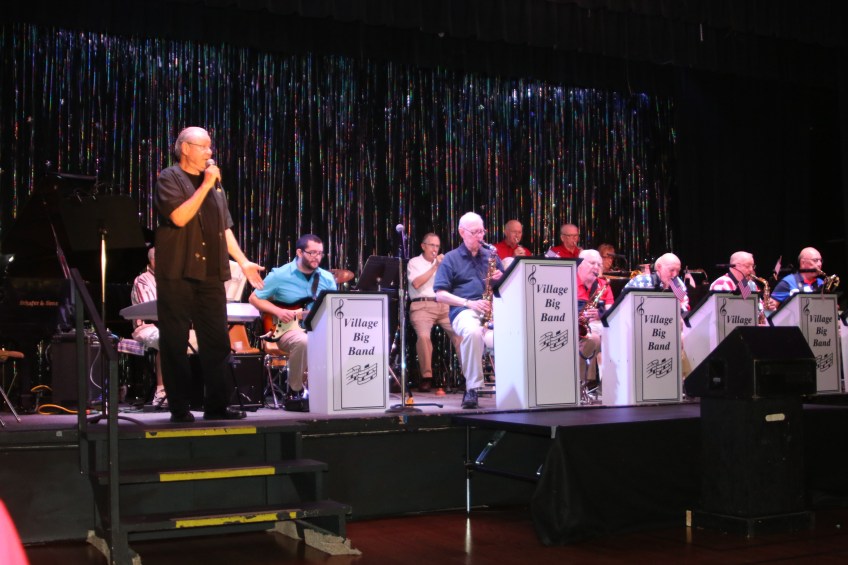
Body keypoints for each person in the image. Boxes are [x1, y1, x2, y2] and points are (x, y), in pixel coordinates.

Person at [154, 126, 264, 423]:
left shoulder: (215, 187)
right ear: (185, 148)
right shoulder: (169, 178)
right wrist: (205, 185)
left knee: (216, 341)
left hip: (210, 273)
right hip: (177, 271)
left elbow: (223, 228)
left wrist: (243, 261)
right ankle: (179, 408)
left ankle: (216, 405)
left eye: (210, 147)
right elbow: (179, 217)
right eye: (203, 146)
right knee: (175, 341)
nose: (209, 152)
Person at [249, 234, 337, 411]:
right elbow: (254, 298)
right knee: (303, 341)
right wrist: (279, 311)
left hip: (318, 329)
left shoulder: (327, 278)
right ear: (299, 252)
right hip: (286, 330)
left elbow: (333, 307)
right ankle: (294, 391)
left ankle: (338, 391)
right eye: (312, 253)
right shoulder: (280, 275)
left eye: (320, 253)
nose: (317, 257)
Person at [434, 212, 503, 409]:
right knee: (472, 332)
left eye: (482, 231)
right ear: (461, 232)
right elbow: (440, 295)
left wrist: (502, 278)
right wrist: (469, 303)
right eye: (475, 232)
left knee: (515, 333)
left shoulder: (491, 255)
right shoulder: (451, 258)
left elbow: (507, 286)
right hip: (464, 310)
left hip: (493, 311)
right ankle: (472, 388)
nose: (480, 236)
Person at [407, 233, 462, 392]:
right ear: (423, 246)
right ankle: (426, 377)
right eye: (432, 245)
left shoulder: (444, 263)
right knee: (424, 337)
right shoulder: (414, 262)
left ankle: (468, 376)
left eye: (437, 246)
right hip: (422, 306)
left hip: (443, 306)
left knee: (461, 334)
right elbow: (417, 283)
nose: (435, 249)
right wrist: (435, 266)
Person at [130, 247, 167, 409]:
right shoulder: (142, 280)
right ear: (153, 261)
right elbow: (151, 310)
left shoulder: (171, 280)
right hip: (146, 327)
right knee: (167, 338)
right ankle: (161, 391)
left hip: (169, 323)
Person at [575, 249, 614, 391]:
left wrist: (599, 313)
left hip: (597, 324)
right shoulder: (569, 281)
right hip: (574, 325)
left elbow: (611, 312)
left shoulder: (603, 284)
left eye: (599, 264)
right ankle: (586, 382)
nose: (596, 267)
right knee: (594, 338)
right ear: (580, 264)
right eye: (592, 263)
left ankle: (606, 385)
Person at [709, 251, 776, 320]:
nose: (751, 270)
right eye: (747, 266)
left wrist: (768, 311)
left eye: (753, 266)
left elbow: (758, 314)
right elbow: (722, 317)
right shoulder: (722, 284)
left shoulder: (750, 284)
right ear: (736, 266)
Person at [625, 252, 690, 313]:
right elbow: (623, 308)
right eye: (671, 270)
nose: (675, 275)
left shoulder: (677, 283)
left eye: (678, 271)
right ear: (659, 267)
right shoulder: (640, 281)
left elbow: (685, 308)